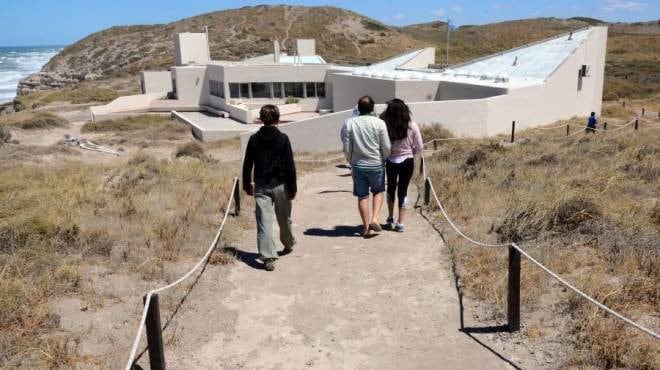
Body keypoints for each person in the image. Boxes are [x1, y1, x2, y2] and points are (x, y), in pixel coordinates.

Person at [242, 104, 297, 271]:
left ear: (261, 119)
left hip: (261, 185)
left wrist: (246, 184)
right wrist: (293, 187)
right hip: (281, 185)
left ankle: (268, 257)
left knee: (264, 222)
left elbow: (247, 164)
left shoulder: (253, 139)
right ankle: (288, 243)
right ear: (278, 119)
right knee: (284, 218)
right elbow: (290, 165)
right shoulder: (283, 138)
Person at [341, 95, 391, 238]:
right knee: (378, 191)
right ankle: (375, 218)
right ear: (373, 107)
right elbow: (386, 146)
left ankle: (366, 228)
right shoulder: (380, 123)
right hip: (376, 164)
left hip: (358, 165)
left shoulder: (349, 123)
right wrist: (383, 158)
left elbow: (346, 146)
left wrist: (350, 160)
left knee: (362, 196)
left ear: (358, 107)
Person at [380, 99, 423, 232]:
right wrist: (411, 153)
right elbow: (420, 146)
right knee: (403, 191)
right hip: (407, 161)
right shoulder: (412, 125)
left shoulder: (385, 125)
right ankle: (400, 223)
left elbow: (382, 146)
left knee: (391, 189)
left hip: (391, 161)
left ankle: (390, 218)